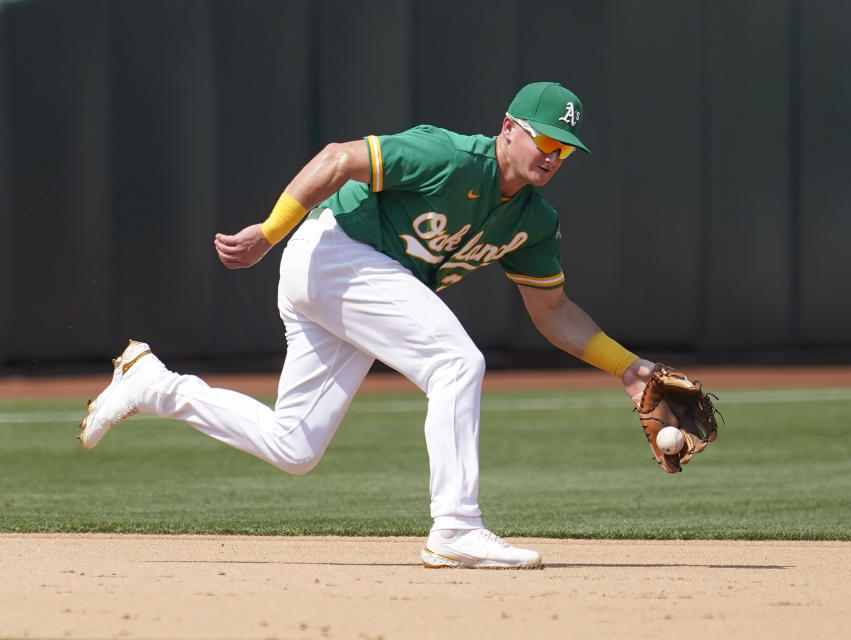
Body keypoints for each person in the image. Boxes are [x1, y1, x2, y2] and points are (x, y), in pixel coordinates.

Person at [79, 81, 655, 570]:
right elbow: (336, 158)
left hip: (350, 284)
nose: (553, 155)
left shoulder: (534, 220)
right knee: (457, 362)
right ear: (509, 128)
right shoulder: (450, 156)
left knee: (293, 446)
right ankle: (454, 527)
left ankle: (153, 384)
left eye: (565, 149)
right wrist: (270, 230)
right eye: (546, 139)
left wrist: (629, 369)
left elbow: (553, 314)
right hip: (336, 251)